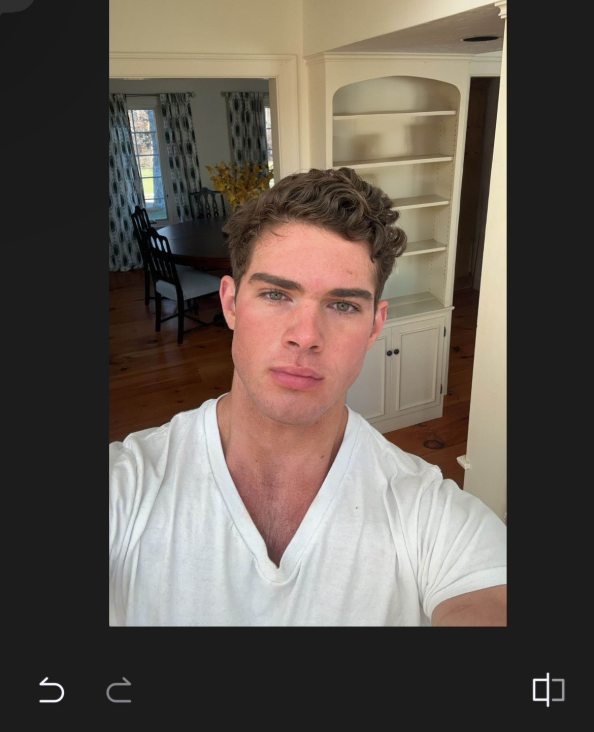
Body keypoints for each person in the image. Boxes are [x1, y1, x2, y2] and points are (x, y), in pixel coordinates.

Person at [110, 168, 506, 627]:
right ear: (231, 303)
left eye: (343, 305)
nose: (305, 336)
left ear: (375, 326)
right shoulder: (128, 484)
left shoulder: (428, 513)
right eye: (276, 294)